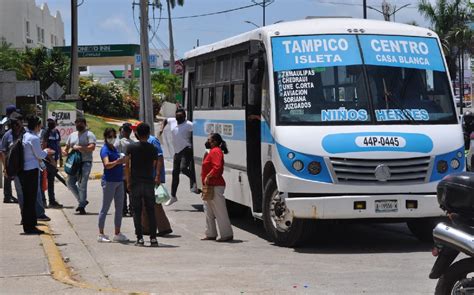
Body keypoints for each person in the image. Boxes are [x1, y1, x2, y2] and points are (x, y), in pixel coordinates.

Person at [125, 123, 160, 247]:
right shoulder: (153, 148)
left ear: (137, 134)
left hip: (135, 182)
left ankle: (139, 238)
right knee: (151, 210)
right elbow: (154, 165)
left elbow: (127, 166)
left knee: (137, 211)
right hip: (148, 182)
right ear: (149, 133)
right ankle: (153, 238)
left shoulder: (131, 147)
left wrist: (128, 181)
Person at [19, 115, 53, 234]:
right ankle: (30, 226)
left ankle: (29, 224)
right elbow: (39, 155)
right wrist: (46, 151)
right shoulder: (33, 138)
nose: (41, 127)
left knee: (28, 199)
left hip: (25, 170)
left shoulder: (26, 136)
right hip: (31, 171)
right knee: (31, 199)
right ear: (37, 126)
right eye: (40, 125)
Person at [160, 108, 197, 206]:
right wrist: (162, 128)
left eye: (180, 117)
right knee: (175, 173)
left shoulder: (189, 124)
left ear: (184, 116)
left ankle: (196, 180)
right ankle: (173, 196)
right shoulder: (172, 121)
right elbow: (165, 120)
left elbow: (196, 135)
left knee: (183, 168)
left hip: (187, 149)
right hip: (177, 151)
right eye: (177, 117)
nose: (178, 118)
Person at [200, 133, 233, 242]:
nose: (207, 141)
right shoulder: (212, 151)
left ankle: (226, 234)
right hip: (209, 186)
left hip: (215, 185)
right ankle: (210, 233)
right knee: (208, 211)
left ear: (214, 141)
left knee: (219, 211)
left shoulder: (215, 151)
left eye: (209, 139)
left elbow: (217, 167)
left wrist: (209, 176)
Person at [97, 128, 129, 243]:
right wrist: (117, 162)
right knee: (105, 208)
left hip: (119, 181)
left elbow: (119, 163)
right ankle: (101, 233)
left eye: (113, 136)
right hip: (109, 181)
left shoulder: (114, 148)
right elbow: (107, 165)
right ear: (105, 137)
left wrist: (123, 162)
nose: (112, 138)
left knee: (119, 208)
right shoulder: (105, 149)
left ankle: (117, 232)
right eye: (110, 136)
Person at [63, 117, 96, 215]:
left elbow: (92, 147)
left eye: (80, 123)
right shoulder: (72, 135)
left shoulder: (90, 134)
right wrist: (65, 151)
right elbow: (66, 147)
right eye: (77, 123)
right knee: (70, 182)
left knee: (82, 184)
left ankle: (81, 206)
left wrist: (81, 148)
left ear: (85, 124)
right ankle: (82, 201)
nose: (78, 125)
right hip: (74, 163)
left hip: (85, 162)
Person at [41, 117, 63, 208]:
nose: (52, 123)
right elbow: (44, 147)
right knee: (43, 181)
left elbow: (58, 145)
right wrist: (51, 159)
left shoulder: (56, 132)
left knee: (51, 181)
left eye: (53, 122)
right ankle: (43, 202)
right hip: (47, 160)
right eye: (50, 122)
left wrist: (60, 158)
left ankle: (52, 201)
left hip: (54, 160)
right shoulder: (46, 132)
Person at [0, 105, 19, 203]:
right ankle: (7, 196)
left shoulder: (5, 120)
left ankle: (9, 195)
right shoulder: (7, 122)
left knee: (10, 173)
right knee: (7, 173)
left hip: (8, 149)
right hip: (6, 150)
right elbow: (6, 136)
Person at [114, 122, 134, 217]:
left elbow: (115, 155)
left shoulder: (119, 142)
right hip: (130, 169)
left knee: (122, 191)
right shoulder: (133, 143)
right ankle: (132, 209)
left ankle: (123, 210)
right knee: (130, 190)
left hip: (121, 169)